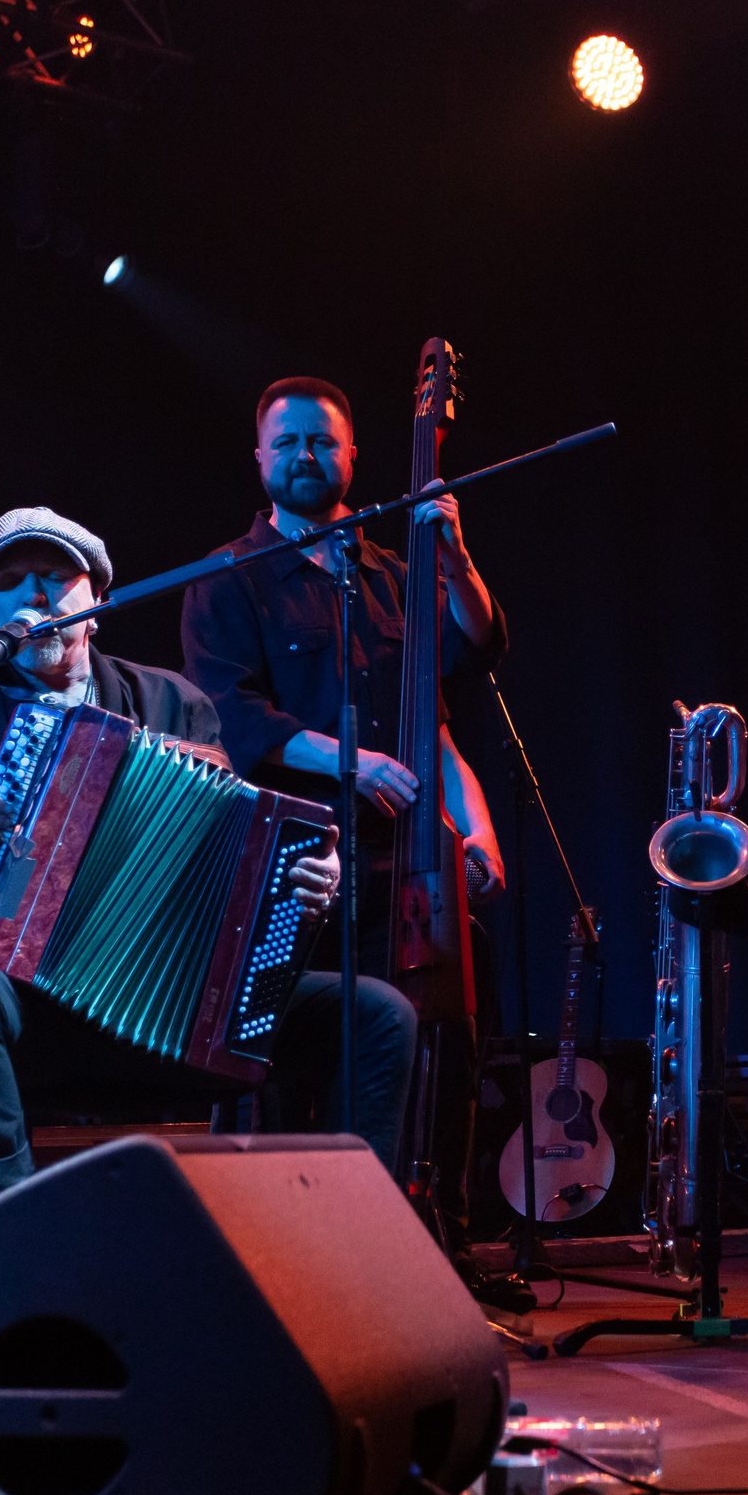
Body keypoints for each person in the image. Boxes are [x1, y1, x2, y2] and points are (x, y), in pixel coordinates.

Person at [0, 506, 414, 1211]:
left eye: (56, 575)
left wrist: (310, 878)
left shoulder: (171, 700)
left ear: (96, 601)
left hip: (177, 1011)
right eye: (10, 580)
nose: (35, 593)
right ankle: (10, 1240)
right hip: (24, 1019)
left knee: (377, 1013)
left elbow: (238, 852)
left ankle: (343, 1233)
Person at [178, 377, 510, 1231]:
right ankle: (284, 1245)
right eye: (287, 441)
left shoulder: (395, 574)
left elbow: (464, 673)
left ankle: (426, 1237)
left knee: (440, 1041)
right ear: (260, 457)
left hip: (402, 864)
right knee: (286, 1064)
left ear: (352, 455)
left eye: (321, 441)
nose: (304, 455)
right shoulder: (228, 578)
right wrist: (351, 762)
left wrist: (478, 829)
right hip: (289, 865)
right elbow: (238, 719)